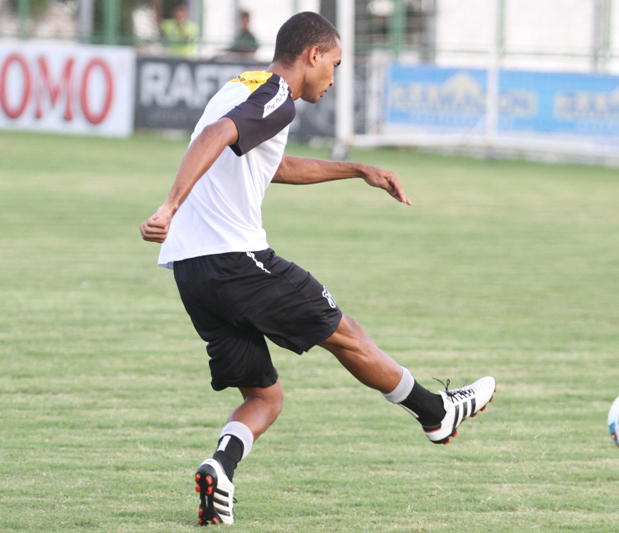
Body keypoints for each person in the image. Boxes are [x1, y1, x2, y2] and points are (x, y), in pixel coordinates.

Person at [140, 12, 495, 526]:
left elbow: (271, 164)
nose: (334, 77)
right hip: (236, 259)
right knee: (346, 333)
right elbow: (219, 133)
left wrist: (356, 169)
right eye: (335, 63)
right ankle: (435, 414)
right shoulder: (276, 95)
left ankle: (220, 466)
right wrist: (169, 206)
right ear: (312, 56)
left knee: (264, 397)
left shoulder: (245, 87)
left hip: (192, 273)